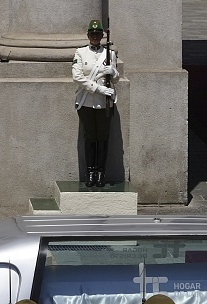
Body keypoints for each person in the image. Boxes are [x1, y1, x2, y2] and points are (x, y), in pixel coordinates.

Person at [72, 18, 119, 188]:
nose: (95, 37)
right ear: (88, 35)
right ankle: (90, 172)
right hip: (86, 102)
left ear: (101, 36)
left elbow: (116, 79)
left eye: (98, 34)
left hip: (104, 104)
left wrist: (113, 72)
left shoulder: (109, 54)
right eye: (92, 34)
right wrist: (98, 89)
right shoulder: (80, 53)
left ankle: (101, 172)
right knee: (90, 137)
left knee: (103, 137)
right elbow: (77, 77)